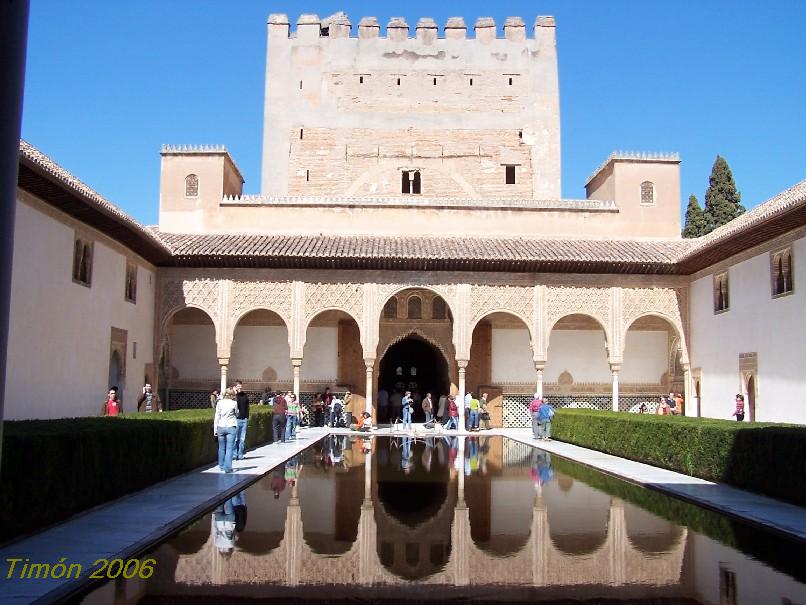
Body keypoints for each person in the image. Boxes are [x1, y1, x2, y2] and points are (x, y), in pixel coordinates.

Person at [214, 387, 238, 473]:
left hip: (220, 426)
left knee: (221, 447)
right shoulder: (234, 403)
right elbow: (237, 413)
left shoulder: (219, 403)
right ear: (232, 395)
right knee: (229, 448)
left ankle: (221, 466)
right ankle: (228, 468)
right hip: (231, 425)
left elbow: (217, 416)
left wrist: (215, 430)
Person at [233, 381, 250, 461]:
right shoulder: (233, 396)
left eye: (240, 386)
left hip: (243, 419)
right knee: (235, 438)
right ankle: (234, 454)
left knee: (242, 438)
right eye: (238, 386)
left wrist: (247, 417)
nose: (240, 387)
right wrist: (235, 393)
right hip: (236, 419)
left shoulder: (244, 395)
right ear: (235, 387)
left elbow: (247, 407)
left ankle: (240, 454)